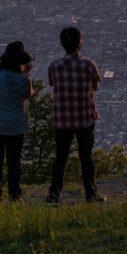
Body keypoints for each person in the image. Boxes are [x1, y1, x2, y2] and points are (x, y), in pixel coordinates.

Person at [47, 26, 106, 204]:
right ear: (80, 42)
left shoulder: (54, 66)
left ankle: (54, 194)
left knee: (61, 157)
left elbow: (52, 84)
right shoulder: (88, 65)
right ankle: (90, 193)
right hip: (84, 117)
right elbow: (95, 86)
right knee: (86, 157)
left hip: (62, 118)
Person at [0, 41, 34, 203]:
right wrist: (26, 74)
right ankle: (14, 195)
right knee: (14, 161)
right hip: (14, 126)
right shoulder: (24, 80)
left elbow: (4, 70)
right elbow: (28, 94)